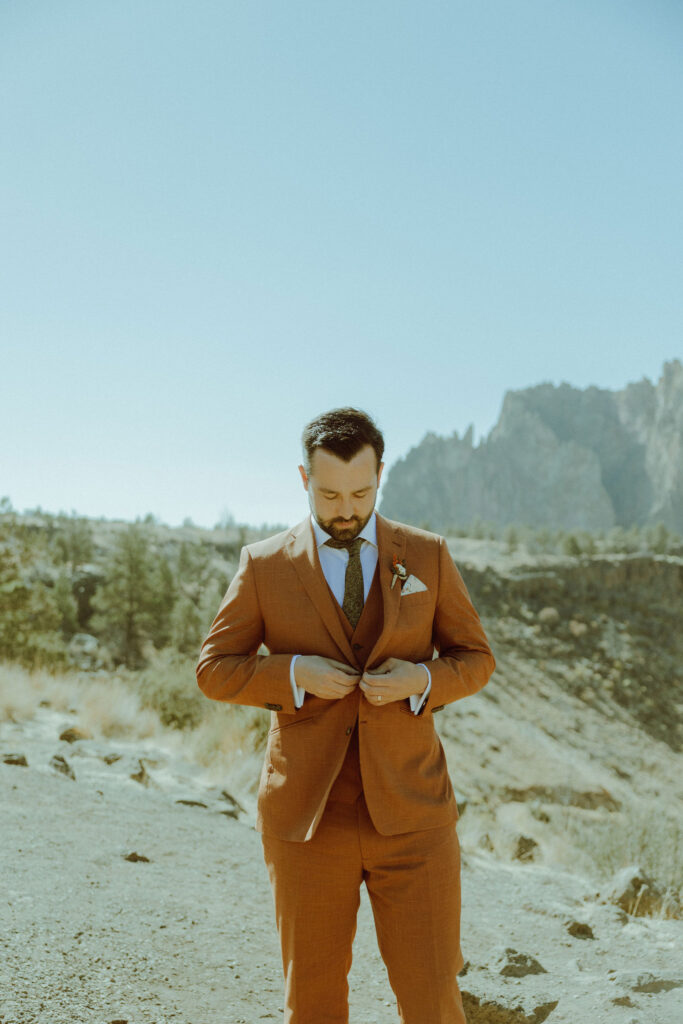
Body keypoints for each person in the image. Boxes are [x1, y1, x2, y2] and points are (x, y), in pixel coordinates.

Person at [196, 407, 495, 1024]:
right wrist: (294, 674)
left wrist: (422, 680)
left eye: (361, 492)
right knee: (313, 1005)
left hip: (414, 816)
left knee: (435, 1002)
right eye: (330, 493)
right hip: (308, 818)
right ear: (303, 478)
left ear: (381, 475)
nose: (346, 508)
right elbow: (214, 669)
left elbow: (476, 657)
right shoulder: (264, 565)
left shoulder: (429, 556)